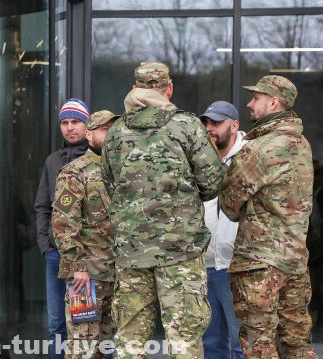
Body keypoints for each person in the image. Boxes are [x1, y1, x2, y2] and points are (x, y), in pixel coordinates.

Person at [101, 62, 225, 358]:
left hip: (131, 251)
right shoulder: (187, 125)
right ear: (169, 89)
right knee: (183, 337)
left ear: (134, 90)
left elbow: (109, 184)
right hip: (180, 250)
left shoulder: (115, 131)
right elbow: (212, 181)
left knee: (130, 339)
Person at [219, 75, 318, 358]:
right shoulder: (301, 144)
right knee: (296, 342)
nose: (249, 104)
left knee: (259, 344)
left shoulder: (261, 149)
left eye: (256, 98)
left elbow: (228, 202)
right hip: (296, 262)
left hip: (259, 264)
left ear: (274, 102)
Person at [53, 110, 120, 359]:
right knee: (83, 346)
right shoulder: (75, 172)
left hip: (117, 274)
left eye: (114, 128)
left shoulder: (121, 171)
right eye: (104, 129)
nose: (111, 133)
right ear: (89, 135)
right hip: (86, 278)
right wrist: (77, 266)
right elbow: (63, 223)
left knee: (105, 345)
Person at [35, 98, 90, 359]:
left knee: (88, 323)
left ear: (86, 124)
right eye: (65, 123)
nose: (70, 128)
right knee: (57, 325)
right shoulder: (53, 161)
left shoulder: (98, 158)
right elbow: (42, 207)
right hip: (56, 257)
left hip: (88, 258)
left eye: (75, 122)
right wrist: (46, 246)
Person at [199, 101, 246, 359]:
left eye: (216, 123)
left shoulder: (250, 157)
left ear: (234, 125)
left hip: (235, 267)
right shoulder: (202, 159)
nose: (210, 129)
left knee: (242, 343)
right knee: (211, 344)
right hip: (205, 265)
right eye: (207, 123)